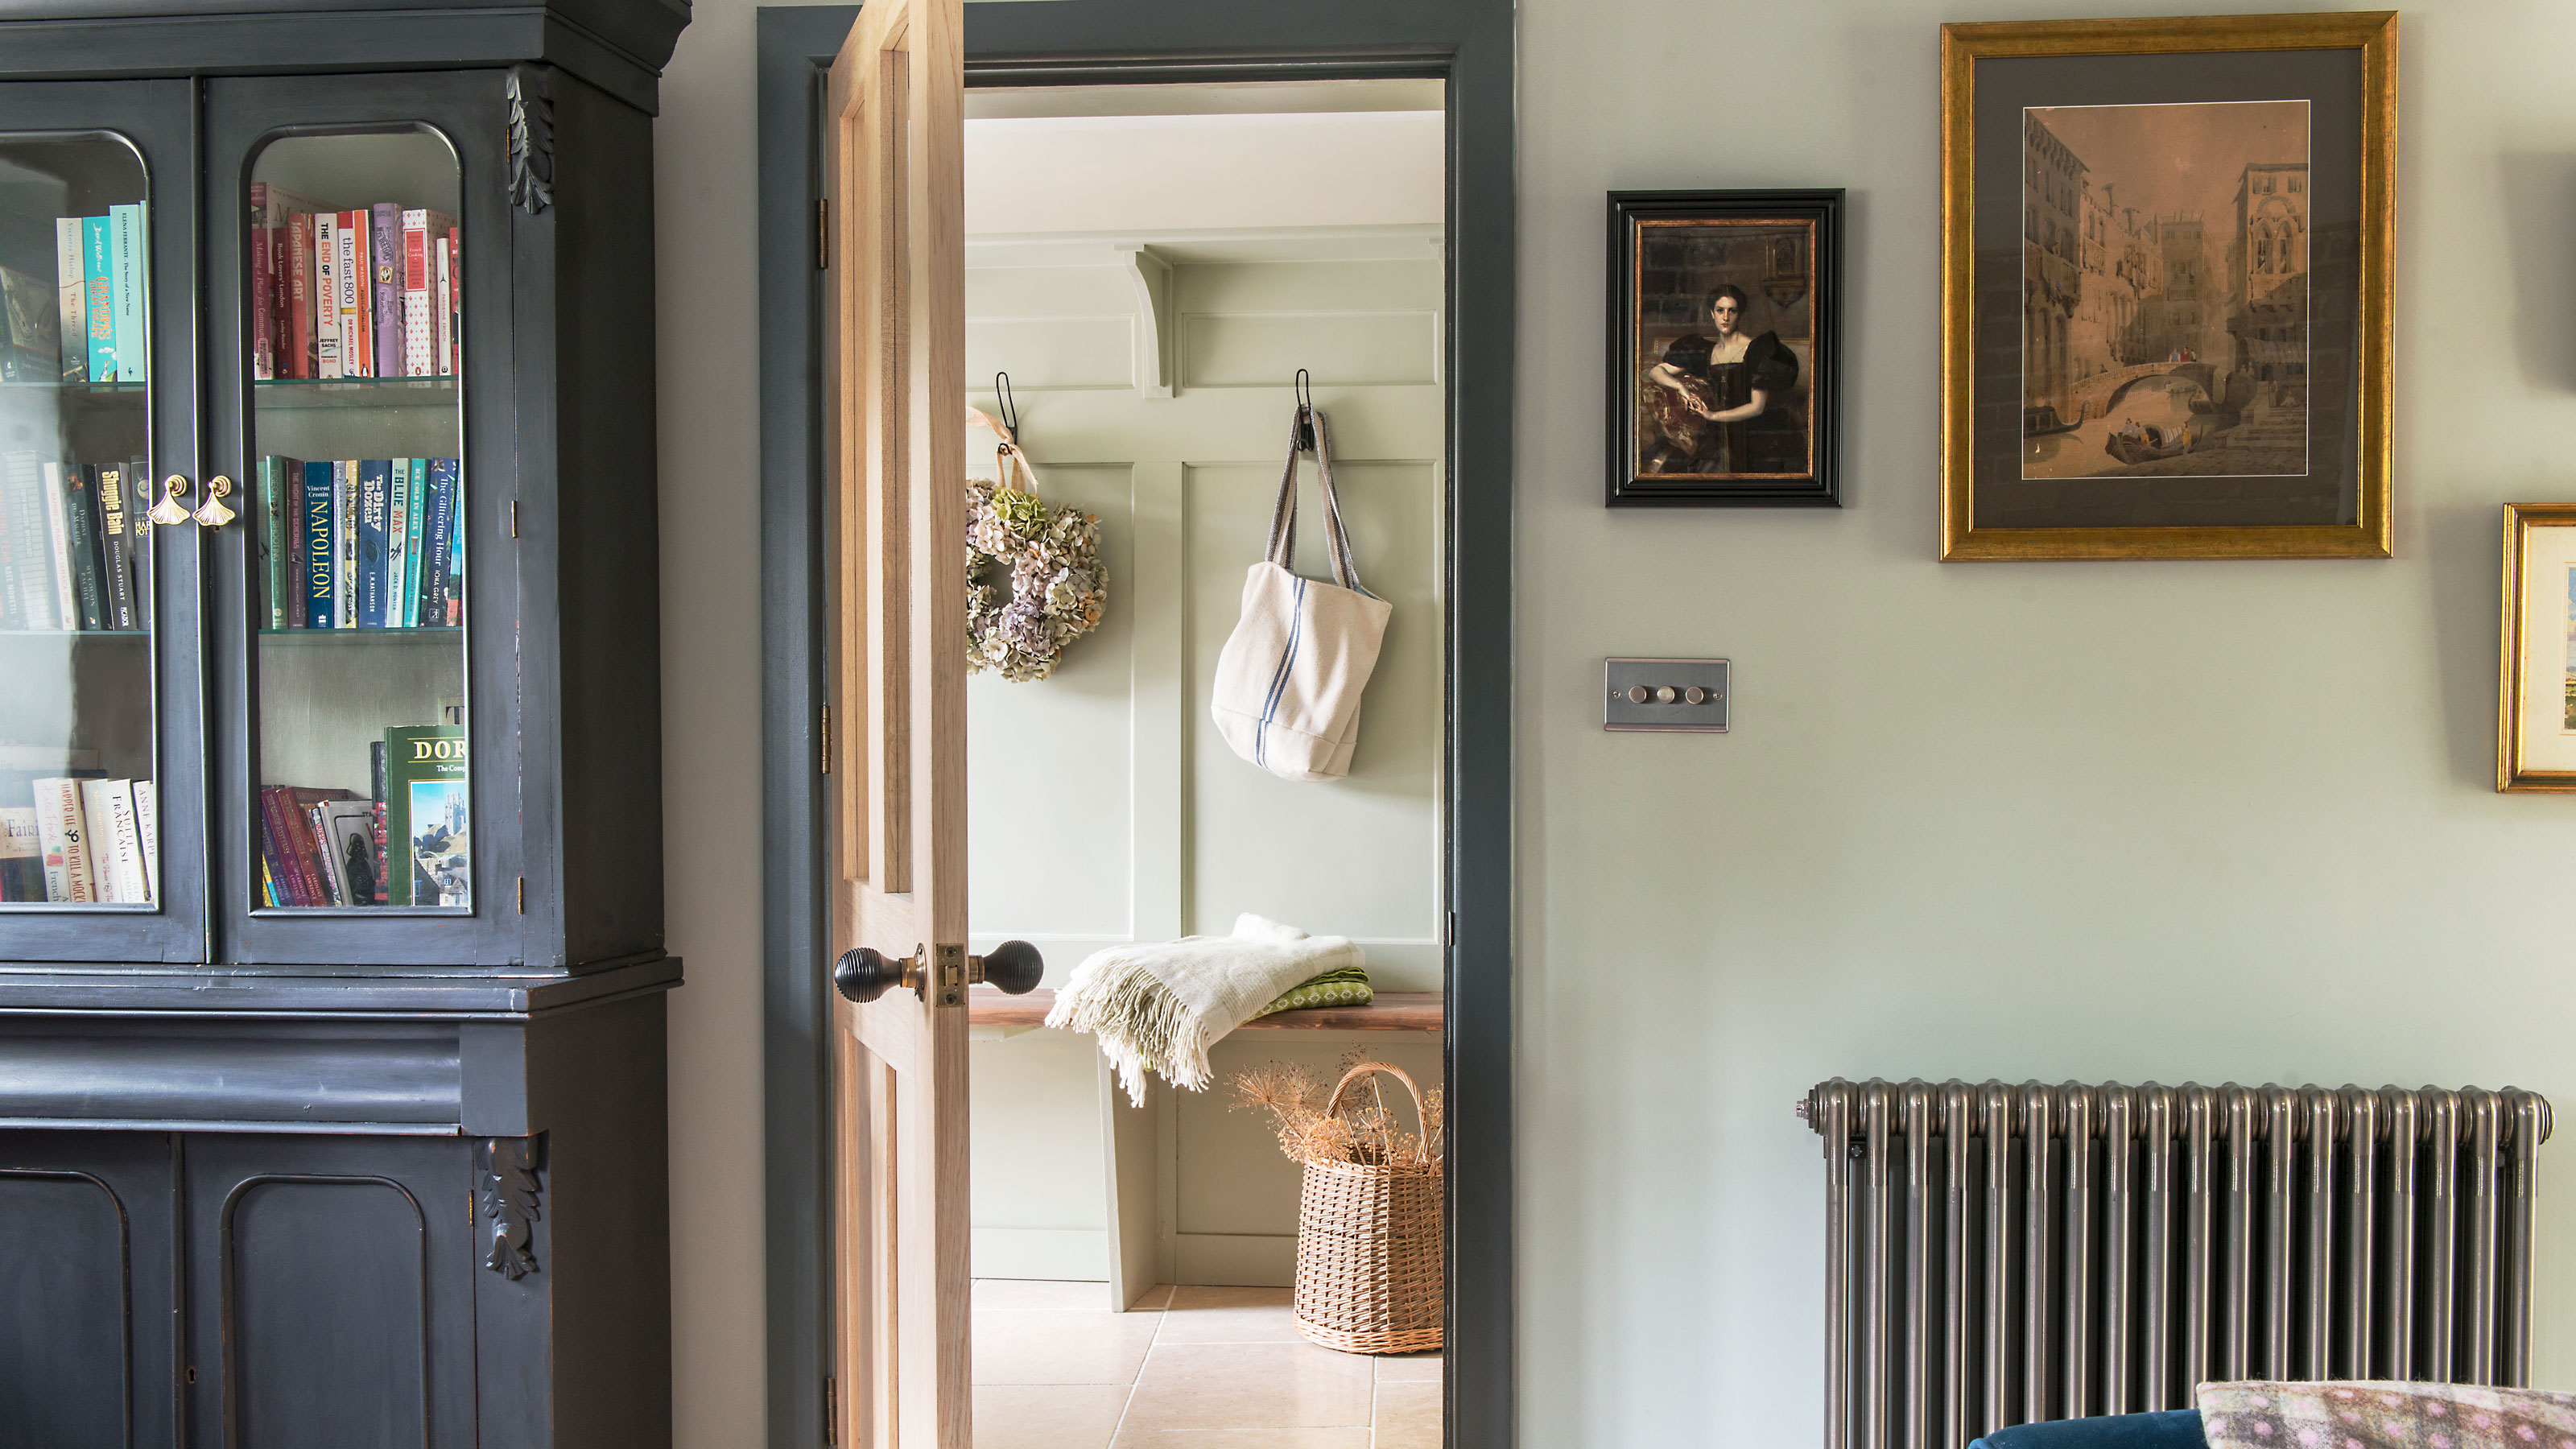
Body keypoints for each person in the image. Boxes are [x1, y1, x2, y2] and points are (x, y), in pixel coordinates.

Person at [1641, 283, 1805, 473]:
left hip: (1751, 433)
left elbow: (1757, 407)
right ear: (1712, 313)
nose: (1725, 317)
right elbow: (1656, 372)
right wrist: (1681, 388)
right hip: (1715, 434)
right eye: (1720, 310)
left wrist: (1713, 416)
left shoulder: (1757, 350)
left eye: (1732, 311)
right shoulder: (1704, 351)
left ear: (1740, 313)